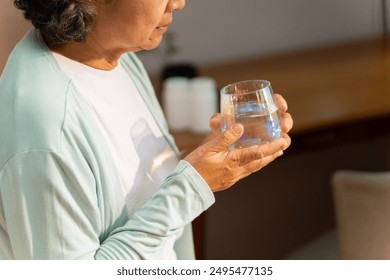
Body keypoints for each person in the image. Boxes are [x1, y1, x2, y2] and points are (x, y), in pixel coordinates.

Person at [0, 0, 292, 259]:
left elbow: (134, 187)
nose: (178, 4)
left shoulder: (117, 59)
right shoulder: (46, 124)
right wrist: (192, 186)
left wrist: (206, 157)